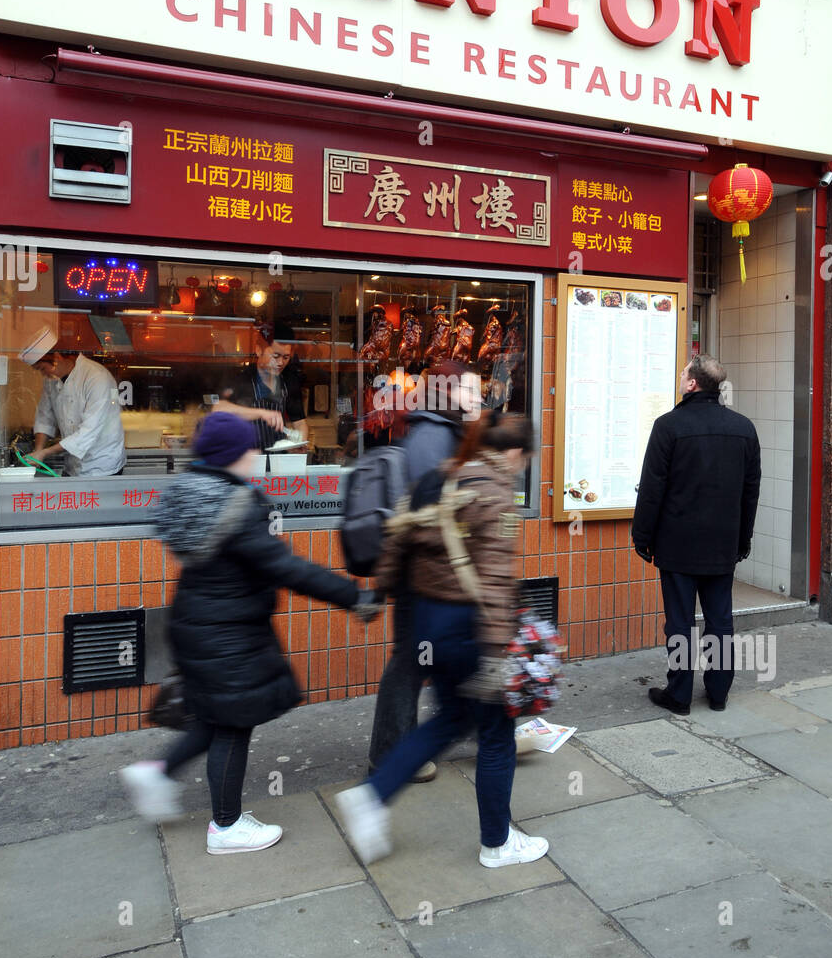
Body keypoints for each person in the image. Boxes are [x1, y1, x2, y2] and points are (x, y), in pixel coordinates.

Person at [120, 412, 377, 853]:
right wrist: (352, 595)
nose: (257, 456)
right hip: (228, 632)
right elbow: (286, 568)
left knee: (213, 716)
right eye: (251, 449)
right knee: (234, 724)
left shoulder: (191, 494)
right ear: (233, 455)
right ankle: (226, 826)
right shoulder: (235, 507)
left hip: (198, 623)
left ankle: (157, 775)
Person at [336, 411, 550, 870]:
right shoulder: (497, 498)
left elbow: (397, 541)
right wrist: (496, 655)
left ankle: (372, 797)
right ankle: (498, 843)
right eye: (525, 458)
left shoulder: (438, 479)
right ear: (514, 452)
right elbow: (494, 582)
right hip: (470, 627)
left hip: (426, 623)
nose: (523, 467)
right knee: (496, 733)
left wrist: (377, 594)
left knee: (449, 719)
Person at [366, 361, 483, 783]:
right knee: (411, 661)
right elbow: (429, 515)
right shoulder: (434, 438)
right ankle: (393, 753)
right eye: (471, 391)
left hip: (431, 573)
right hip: (424, 576)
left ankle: (468, 730)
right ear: (449, 392)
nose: (478, 399)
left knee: (424, 659)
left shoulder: (439, 432)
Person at [632, 354, 761, 714]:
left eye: (683, 373)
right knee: (720, 621)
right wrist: (743, 539)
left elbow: (652, 488)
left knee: (680, 621)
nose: (680, 376)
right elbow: (751, 489)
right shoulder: (743, 428)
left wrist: (642, 537)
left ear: (692, 384)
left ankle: (680, 694)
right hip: (722, 544)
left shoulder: (669, 426)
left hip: (677, 544)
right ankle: (718, 693)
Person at [19, 326, 126, 476]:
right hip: (72, 464)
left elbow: (88, 432)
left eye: (43, 369)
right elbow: (45, 417)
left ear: (56, 358)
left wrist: (45, 453)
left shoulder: (96, 377)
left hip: (101, 465)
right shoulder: (52, 380)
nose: (43, 375)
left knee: (93, 500)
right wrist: (37, 451)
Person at [214, 323, 308, 451]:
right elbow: (218, 409)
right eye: (275, 356)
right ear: (258, 350)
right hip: (247, 460)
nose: (280, 363)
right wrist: (261, 413)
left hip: (279, 462)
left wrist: (299, 444)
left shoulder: (289, 380)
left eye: (286, 357)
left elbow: (300, 423)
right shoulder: (242, 378)